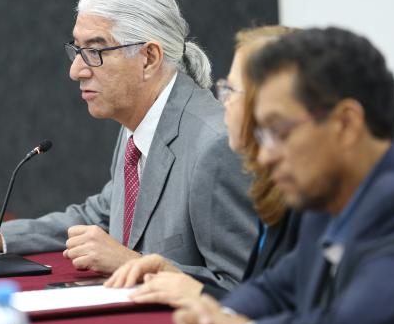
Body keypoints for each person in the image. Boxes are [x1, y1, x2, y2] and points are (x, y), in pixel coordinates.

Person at [0, 0, 256, 288]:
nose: (76, 70)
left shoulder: (216, 146)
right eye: (77, 51)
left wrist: (131, 264)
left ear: (149, 58)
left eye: (94, 51)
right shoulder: (141, 121)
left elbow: (246, 289)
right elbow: (100, 216)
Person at [173, 27, 394, 324]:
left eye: (279, 131)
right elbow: (276, 287)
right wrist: (215, 315)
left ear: (345, 124)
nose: (265, 156)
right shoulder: (326, 204)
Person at [106, 26, 302, 305]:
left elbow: (300, 312)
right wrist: (179, 278)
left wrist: (197, 292)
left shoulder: (321, 207)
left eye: (232, 91)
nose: (224, 103)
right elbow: (267, 295)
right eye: (224, 88)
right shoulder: (283, 189)